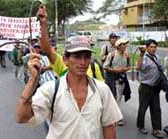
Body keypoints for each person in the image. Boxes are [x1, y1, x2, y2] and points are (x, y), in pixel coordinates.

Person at [15, 5, 123, 139]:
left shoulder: (102, 90)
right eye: (77, 56)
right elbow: (21, 117)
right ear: (65, 59)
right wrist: (33, 80)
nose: (82, 62)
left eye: (86, 56)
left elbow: (109, 126)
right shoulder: (51, 90)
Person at [136, 39, 163, 139]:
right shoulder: (144, 58)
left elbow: (161, 69)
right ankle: (140, 125)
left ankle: (156, 130)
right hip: (145, 88)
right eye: (151, 47)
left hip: (155, 88)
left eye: (155, 47)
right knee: (143, 108)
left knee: (156, 108)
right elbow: (138, 67)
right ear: (147, 48)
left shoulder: (157, 57)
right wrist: (141, 55)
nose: (153, 49)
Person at [103, 38, 131, 126]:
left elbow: (129, 66)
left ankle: (114, 115)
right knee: (115, 97)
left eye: (125, 44)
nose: (124, 46)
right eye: (122, 45)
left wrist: (124, 69)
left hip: (122, 79)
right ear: (118, 46)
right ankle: (117, 117)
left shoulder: (126, 55)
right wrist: (116, 70)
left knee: (118, 98)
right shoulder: (111, 55)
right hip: (112, 79)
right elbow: (105, 66)